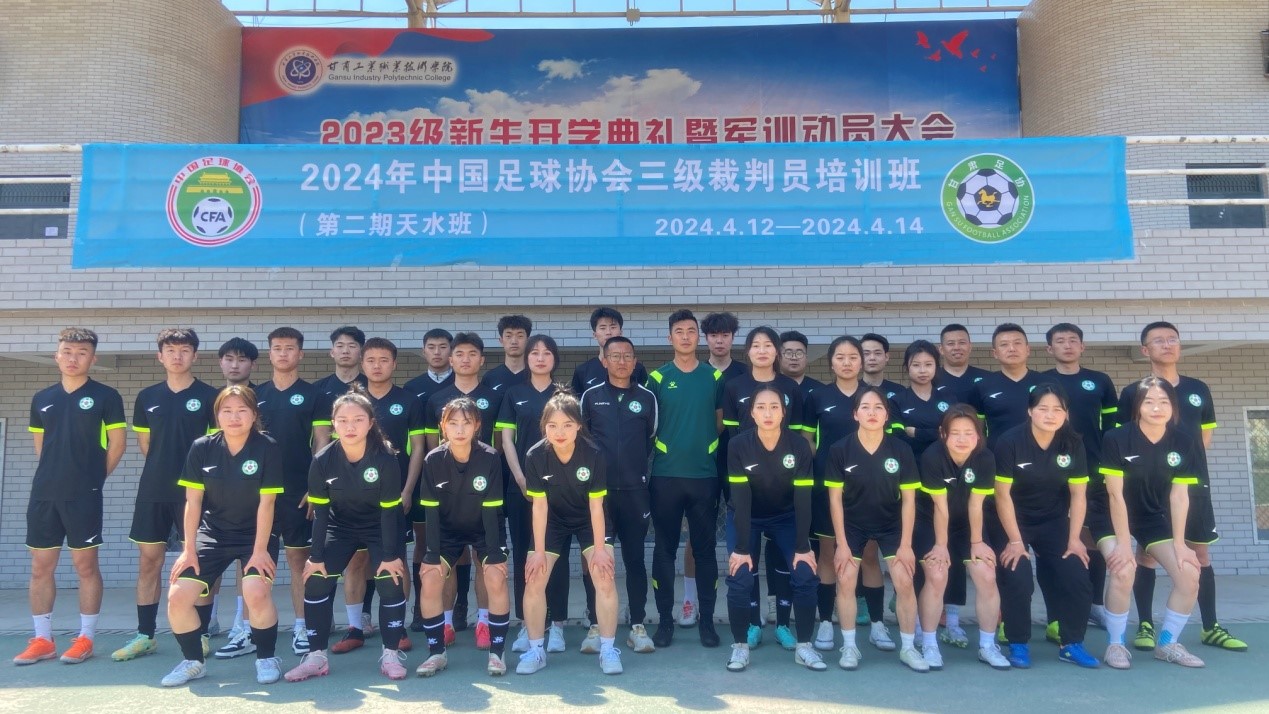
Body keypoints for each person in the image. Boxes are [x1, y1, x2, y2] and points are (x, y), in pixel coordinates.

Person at [1119, 322, 1245, 652]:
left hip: (1192, 484)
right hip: (1150, 489)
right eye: (1158, 340)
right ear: (1145, 350)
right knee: (1146, 554)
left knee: (1199, 553)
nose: (1167, 345)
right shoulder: (1133, 393)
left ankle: (1210, 627)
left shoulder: (1198, 388)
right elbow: (1126, 440)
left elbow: (1205, 437)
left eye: (1172, 339)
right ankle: (1145, 624)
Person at [15, 328, 126, 667]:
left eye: (81, 352)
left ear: (93, 358)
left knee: (85, 566)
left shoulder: (107, 396)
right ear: (56, 355)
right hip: (44, 494)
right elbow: (42, 448)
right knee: (40, 567)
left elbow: (118, 445)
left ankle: (86, 638)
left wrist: (92, 480)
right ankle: (43, 640)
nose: (73, 358)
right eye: (67, 351)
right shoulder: (42, 398)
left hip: (84, 495)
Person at [284, 389, 410, 682]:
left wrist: (389, 556)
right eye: (342, 420)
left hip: (380, 525)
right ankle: (316, 657)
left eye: (357, 419)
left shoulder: (386, 458)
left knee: (390, 579)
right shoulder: (323, 459)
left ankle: (391, 655)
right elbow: (321, 513)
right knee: (316, 579)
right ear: (333, 424)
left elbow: (390, 513)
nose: (350, 426)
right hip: (339, 526)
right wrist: (316, 557)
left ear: (370, 423)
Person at [160, 385, 282, 687]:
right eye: (227, 411)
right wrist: (188, 549)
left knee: (255, 591)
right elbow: (193, 502)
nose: (234, 417)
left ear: (253, 415)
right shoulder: (202, 447)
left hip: (255, 535)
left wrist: (260, 551)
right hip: (213, 534)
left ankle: (266, 657)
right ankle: (193, 662)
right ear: (217, 415)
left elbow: (267, 503)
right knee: (177, 597)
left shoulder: (267, 447)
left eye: (241, 410)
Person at [113, 329, 218, 664]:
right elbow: (147, 446)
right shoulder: (147, 396)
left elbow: (216, 448)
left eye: (184, 350)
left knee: (197, 563)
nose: (177, 356)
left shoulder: (210, 396)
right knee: (149, 561)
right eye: (170, 350)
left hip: (196, 492)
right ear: (160, 356)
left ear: (195, 356)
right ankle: (145, 635)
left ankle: (200, 634)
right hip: (154, 489)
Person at [1094, 377, 1205, 668]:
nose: (1157, 408)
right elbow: (1115, 495)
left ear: (1174, 406)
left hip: (1151, 515)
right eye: (1149, 402)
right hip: (1108, 513)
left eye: (1164, 402)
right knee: (1123, 569)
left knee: (1189, 573)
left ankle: (1167, 644)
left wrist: (1180, 544)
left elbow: (1179, 496)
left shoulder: (1184, 441)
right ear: (1138, 407)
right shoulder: (1116, 438)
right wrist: (1123, 545)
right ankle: (1115, 644)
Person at [992, 384, 1099, 669]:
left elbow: (1078, 495)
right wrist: (1015, 541)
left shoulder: (1073, 443)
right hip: (1013, 520)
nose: (1050, 415)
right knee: (1018, 575)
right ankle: (1018, 642)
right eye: (1043, 408)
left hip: (1053, 520)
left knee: (1077, 574)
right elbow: (1001, 495)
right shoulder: (1010, 441)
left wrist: (1075, 538)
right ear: (1030, 411)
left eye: (1057, 409)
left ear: (1066, 414)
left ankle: (1071, 644)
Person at [517, 393, 624, 675]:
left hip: (589, 520)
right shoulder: (535, 456)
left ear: (578, 425)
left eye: (567, 425)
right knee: (534, 578)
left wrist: (599, 550)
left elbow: (596, 506)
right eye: (552, 425)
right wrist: (539, 553)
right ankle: (536, 651)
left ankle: (608, 649)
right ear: (544, 427)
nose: (560, 432)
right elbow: (539, 507)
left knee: (604, 575)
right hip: (553, 520)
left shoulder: (594, 453)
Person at [330, 338, 425, 655]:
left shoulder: (409, 400)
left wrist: (407, 490)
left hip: (394, 497)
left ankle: (397, 628)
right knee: (356, 562)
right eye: (371, 360)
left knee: (396, 560)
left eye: (384, 360)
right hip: (353, 499)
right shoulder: (350, 402)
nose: (377, 365)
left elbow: (418, 449)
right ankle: (355, 628)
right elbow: (334, 448)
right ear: (362, 363)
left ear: (394, 364)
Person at [823, 387, 925, 672]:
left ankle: (908, 647)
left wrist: (906, 545)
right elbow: (835, 500)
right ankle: (849, 646)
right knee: (846, 578)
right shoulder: (840, 449)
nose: (872, 413)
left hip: (891, 524)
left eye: (878, 407)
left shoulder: (901, 449)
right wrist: (842, 544)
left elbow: (909, 500)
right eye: (865, 407)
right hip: (853, 524)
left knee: (904, 580)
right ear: (855, 414)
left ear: (887, 415)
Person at [723, 386, 823, 672]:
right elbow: (741, 499)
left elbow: (803, 499)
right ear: (752, 413)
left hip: (786, 517)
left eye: (774, 407)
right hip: (747, 516)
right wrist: (742, 549)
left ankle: (804, 646)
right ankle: (740, 646)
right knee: (740, 576)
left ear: (784, 412)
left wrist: (803, 547)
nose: (768, 413)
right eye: (761, 407)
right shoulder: (738, 445)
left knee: (805, 573)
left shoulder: (799, 446)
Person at [719, 325, 806, 649]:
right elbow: (731, 435)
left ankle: (783, 624)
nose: (762, 350)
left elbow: (799, 437)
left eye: (768, 345)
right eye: (756, 345)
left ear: (776, 351)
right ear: (748, 351)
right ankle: (753, 624)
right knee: (747, 560)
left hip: (784, 493)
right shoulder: (734, 386)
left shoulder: (790, 387)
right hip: (746, 485)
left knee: (785, 561)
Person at [415, 398, 512, 677]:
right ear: (442, 426)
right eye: (453, 423)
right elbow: (431, 512)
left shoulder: (490, 457)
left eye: (466, 423)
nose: (459, 430)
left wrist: (494, 555)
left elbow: (492, 510)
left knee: (495, 576)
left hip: (485, 529)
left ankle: (497, 652)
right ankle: (436, 653)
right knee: (430, 578)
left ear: (477, 426)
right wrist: (432, 556)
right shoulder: (433, 460)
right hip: (447, 531)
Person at [803, 336, 887, 651]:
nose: (847, 362)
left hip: (869, 490)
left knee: (869, 555)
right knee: (827, 554)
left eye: (853, 357)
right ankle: (826, 622)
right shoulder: (817, 396)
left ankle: (877, 623)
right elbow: (808, 441)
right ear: (831, 362)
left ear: (861, 361)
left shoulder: (873, 396)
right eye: (840, 357)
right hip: (829, 488)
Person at [647, 309, 725, 649]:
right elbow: (648, 426)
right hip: (665, 476)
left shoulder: (714, 377)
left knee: (705, 552)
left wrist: (702, 445)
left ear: (698, 337)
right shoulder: (657, 378)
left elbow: (719, 422)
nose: (685, 336)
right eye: (679, 331)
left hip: (704, 476)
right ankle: (665, 622)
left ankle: (706, 622)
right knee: (664, 550)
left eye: (691, 331)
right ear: (670, 338)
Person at [913, 405, 1011, 670]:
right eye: (955, 433)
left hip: (968, 524)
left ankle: (987, 646)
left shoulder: (985, 458)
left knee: (986, 574)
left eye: (968, 433)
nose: (962, 439)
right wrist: (941, 545)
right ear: (943, 434)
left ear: (978, 435)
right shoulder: (932, 456)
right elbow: (940, 507)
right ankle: (930, 644)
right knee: (937, 575)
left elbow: (976, 504)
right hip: (930, 522)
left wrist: (977, 543)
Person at [254, 327, 332, 655]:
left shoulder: (315, 396)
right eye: (277, 348)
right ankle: (250, 628)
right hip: (260, 495)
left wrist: (315, 486)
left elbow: (322, 443)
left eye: (289, 348)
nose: (283, 353)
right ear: (269, 353)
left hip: (299, 493)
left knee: (299, 559)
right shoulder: (255, 394)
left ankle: (302, 626)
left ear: (300, 354)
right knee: (255, 559)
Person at [422, 332, 504, 644]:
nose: (465, 359)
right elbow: (432, 447)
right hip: (448, 497)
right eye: (459, 353)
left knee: (486, 563)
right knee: (448, 562)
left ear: (481, 360)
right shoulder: (436, 398)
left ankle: (484, 623)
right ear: (451, 359)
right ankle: (445, 623)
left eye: (472, 354)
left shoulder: (494, 396)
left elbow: (497, 444)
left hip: (483, 492)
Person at [580, 335, 659, 655]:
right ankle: (595, 624)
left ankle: (637, 624)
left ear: (635, 361)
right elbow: (583, 440)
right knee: (598, 559)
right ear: (604, 361)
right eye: (615, 356)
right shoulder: (590, 396)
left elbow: (650, 438)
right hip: (598, 495)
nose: (621, 361)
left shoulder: (648, 398)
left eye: (627, 356)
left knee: (635, 559)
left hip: (635, 491)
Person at [1042, 322, 1117, 636]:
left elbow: (1112, 430)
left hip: (1094, 470)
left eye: (1073, 340)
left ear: (1082, 346)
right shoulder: (1042, 382)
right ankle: (1056, 614)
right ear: (1050, 348)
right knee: (1053, 543)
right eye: (1060, 341)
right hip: (1051, 472)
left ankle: (1094, 605)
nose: (1068, 345)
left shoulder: (1099, 381)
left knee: (1093, 539)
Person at [497, 335, 564, 652]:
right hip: (521, 489)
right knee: (525, 554)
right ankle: (527, 622)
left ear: (554, 359)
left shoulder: (563, 395)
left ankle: (558, 624)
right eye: (534, 353)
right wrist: (521, 478)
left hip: (559, 489)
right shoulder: (514, 394)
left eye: (546, 353)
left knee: (555, 554)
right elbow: (506, 440)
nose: (540, 357)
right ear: (527, 359)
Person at [682, 310, 744, 629]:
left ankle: (744, 601)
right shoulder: (695, 371)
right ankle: (689, 601)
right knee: (697, 536)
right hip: (700, 465)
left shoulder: (745, 374)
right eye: (714, 335)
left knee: (743, 534)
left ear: (733, 338)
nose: (720, 341)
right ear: (705, 339)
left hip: (738, 464)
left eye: (725, 335)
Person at [212, 336, 262, 659]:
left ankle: (242, 625)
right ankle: (209, 620)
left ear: (252, 365)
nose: (234, 365)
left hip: (254, 495)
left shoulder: (262, 397)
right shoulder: (212, 399)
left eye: (241, 359)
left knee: (248, 563)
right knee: (211, 560)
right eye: (229, 359)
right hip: (215, 496)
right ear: (221, 362)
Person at [403, 327, 454, 631]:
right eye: (432, 347)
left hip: (462, 482)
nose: (437, 352)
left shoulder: (462, 383)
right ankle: (421, 609)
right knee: (423, 542)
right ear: (424, 351)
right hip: (425, 480)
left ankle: (456, 609)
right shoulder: (412, 388)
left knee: (457, 546)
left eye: (443, 346)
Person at [970, 323, 1046, 450]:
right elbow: (977, 429)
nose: (1012, 349)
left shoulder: (1047, 383)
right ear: (995, 353)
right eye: (1004, 344)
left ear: (1028, 349)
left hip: (1041, 455)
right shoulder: (982, 386)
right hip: (997, 455)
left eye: (1017, 343)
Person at [891, 340, 952, 460]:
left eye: (928, 364)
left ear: (936, 366)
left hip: (945, 463)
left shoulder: (949, 399)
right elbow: (898, 438)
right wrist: (937, 433)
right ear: (907, 367)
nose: (922, 370)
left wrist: (917, 433)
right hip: (911, 463)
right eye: (916, 365)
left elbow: (952, 435)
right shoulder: (896, 401)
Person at [571, 307, 649, 395]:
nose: (608, 332)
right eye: (603, 328)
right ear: (594, 335)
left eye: (613, 327)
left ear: (621, 332)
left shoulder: (637, 369)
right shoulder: (582, 371)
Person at [935, 324, 990, 405]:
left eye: (962, 342)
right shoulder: (931, 380)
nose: (957, 347)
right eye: (950, 343)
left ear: (970, 347)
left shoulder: (988, 379)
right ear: (941, 349)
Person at [312, 326, 368, 398]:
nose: (345, 351)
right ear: (332, 352)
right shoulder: (317, 388)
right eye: (340, 346)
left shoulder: (371, 386)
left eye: (352, 346)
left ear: (361, 353)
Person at [482, 314, 532, 392]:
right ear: (501, 340)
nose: (514, 341)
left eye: (520, 336)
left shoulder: (536, 376)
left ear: (527, 340)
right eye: (508, 336)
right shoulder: (489, 377)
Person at [779, 330, 825, 400]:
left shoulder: (820, 390)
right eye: (788, 353)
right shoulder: (770, 388)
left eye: (799, 353)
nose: (794, 358)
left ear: (806, 358)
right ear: (778, 357)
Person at [860, 333, 904, 400]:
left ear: (886, 357)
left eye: (877, 353)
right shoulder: (851, 391)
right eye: (866, 353)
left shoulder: (900, 391)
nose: (872, 358)